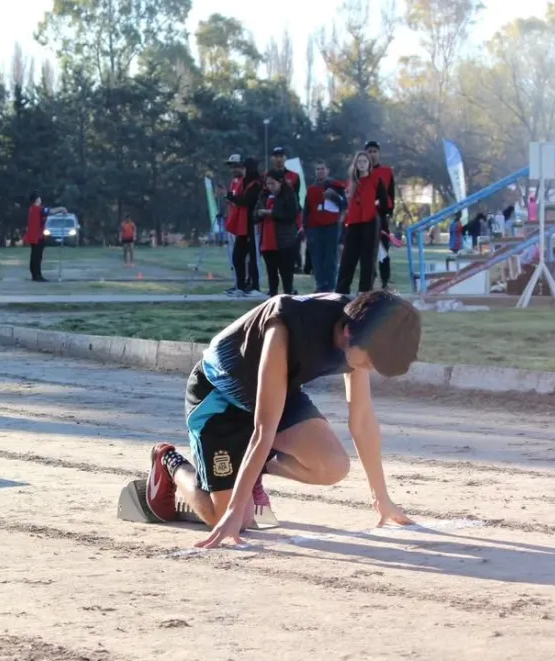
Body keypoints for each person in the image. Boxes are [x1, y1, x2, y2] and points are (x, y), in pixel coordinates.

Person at [142, 290, 420, 547]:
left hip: (276, 390)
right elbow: (264, 430)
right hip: (218, 399)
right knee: (231, 519)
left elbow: (361, 420)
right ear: (347, 333)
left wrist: (381, 498)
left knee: (333, 465)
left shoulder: (363, 328)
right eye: (370, 362)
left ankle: (254, 470)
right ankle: (169, 463)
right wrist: (233, 512)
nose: (369, 369)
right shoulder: (285, 327)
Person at [336, 151, 389, 295]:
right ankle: (342, 290)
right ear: (356, 164)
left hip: (370, 221)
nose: (362, 164)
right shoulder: (351, 182)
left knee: (368, 257)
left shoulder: (376, 179)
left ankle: (364, 291)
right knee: (348, 256)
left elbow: (385, 202)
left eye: (364, 161)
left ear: (369, 164)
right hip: (353, 222)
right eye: (359, 161)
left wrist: (375, 207)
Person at [223, 154, 263, 297]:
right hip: (242, 225)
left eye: (244, 167)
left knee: (252, 257)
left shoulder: (256, 183)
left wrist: (230, 196)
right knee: (238, 256)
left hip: (252, 224)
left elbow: (246, 201)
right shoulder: (243, 182)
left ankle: (254, 286)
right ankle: (240, 285)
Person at [304, 161, 347, 292]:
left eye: (322, 169)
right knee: (317, 258)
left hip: (332, 226)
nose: (320, 171)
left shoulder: (336, 186)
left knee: (330, 257)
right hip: (314, 227)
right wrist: (305, 228)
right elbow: (306, 210)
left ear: (327, 170)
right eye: (317, 169)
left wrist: (333, 196)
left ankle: (330, 285)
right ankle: (320, 284)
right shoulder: (311, 189)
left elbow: (344, 205)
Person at [256, 170, 299, 296]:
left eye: (273, 184)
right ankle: (272, 293)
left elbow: (291, 215)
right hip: (267, 240)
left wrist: (271, 213)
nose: (270, 187)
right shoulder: (263, 195)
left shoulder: (289, 195)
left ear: (280, 182)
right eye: (268, 184)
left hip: (285, 239)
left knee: (286, 271)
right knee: (271, 270)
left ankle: (288, 293)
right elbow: (255, 214)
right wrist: (259, 214)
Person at [365, 140, 396, 290]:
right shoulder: (361, 171)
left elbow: (391, 194)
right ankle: (369, 279)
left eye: (374, 151)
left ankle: (385, 280)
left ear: (379, 153)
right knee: (367, 249)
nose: (372, 154)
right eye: (369, 151)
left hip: (381, 216)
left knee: (383, 248)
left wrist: (389, 212)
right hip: (364, 216)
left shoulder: (386, 171)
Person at [25, 192, 67, 282]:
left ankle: (35, 275)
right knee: (37, 256)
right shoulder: (38, 209)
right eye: (39, 198)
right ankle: (37, 275)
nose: (40, 200)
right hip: (37, 236)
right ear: (36, 199)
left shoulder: (32, 209)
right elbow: (50, 211)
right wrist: (61, 209)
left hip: (33, 236)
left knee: (34, 256)